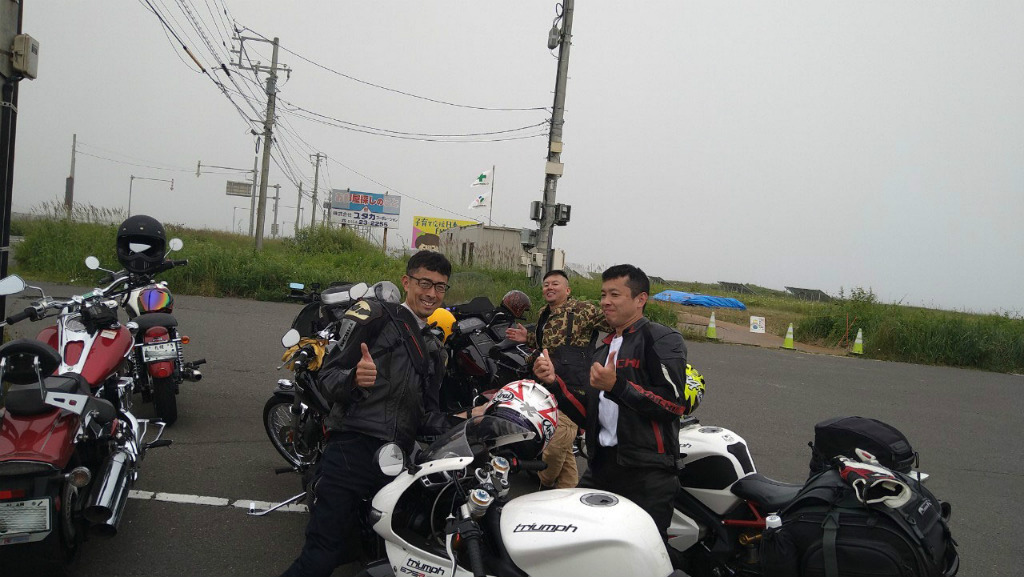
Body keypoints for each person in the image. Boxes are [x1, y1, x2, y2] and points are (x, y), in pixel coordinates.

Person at [281, 250, 460, 577]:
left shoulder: (434, 349)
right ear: (407, 282)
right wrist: (353, 379)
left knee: (384, 552)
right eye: (424, 283)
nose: (432, 293)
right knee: (321, 555)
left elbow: (425, 419)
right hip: (351, 450)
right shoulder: (376, 316)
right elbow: (327, 377)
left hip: (395, 462)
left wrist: (467, 420)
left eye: (440, 287)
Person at [532, 264, 702, 541]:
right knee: (580, 541)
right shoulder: (602, 351)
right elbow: (588, 416)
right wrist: (554, 383)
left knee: (644, 551)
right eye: (603, 295)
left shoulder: (661, 338)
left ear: (640, 299)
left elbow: (673, 405)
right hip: (601, 468)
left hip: (646, 473)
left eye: (614, 294)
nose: (605, 302)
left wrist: (617, 386)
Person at [505, 269, 610, 489]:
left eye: (555, 284)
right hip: (548, 384)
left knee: (555, 446)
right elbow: (547, 343)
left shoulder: (583, 309)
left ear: (568, 290)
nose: (549, 288)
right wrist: (528, 337)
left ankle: (543, 483)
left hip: (573, 388)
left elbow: (614, 322)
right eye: (546, 285)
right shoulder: (544, 312)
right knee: (563, 446)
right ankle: (568, 492)